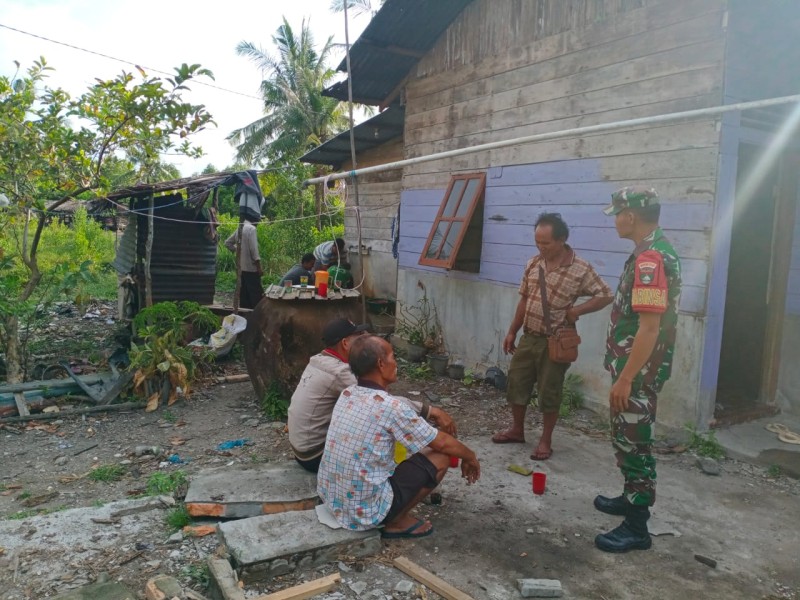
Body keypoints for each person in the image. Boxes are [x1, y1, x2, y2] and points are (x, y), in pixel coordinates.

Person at [317, 335, 480, 538]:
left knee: (418, 446)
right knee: (440, 456)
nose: (396, 363)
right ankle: (396, 521)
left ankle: (391, 510)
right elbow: (443, 443)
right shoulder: (391, 407)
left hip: (332, 499)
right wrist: (470, 456)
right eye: (393, 357)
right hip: (364, 512)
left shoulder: (348, 393)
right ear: (380, 364)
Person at [593, 187, 681, 553]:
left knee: (636, 441)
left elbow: (649, 327)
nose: (615, 219)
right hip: (634, 367)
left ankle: (637, 526)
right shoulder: (647, 252)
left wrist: (628, 377)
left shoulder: (652, 261)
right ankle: (630, 499)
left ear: (631, 215)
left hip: (638, 372)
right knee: (625, 436)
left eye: (618, 213)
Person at [492, 213, 613, 459]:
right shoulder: (533, 264)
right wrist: (512, 331)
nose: (541, 247)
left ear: (562, 240)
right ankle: (517, 430)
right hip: (529, 337)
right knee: (516, 383)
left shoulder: (580, 269)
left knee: (549, 391)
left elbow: (605, 294)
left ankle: (545, 441)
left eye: (545, 243)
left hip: (555, 341)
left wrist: (577, 310)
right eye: (537, 242)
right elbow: (524, 300)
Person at [289, 319, 456, 473]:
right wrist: (430, 411)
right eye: (358, 337)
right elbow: (382, 403)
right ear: (345, 343)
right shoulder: (340, 372)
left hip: (303, 449)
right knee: (381, 425)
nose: (363, 340)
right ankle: (392, 480)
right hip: (315, 455)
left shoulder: (320, 360)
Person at [224, 217, 263, 309]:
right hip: (251, 269)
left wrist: (238, 251)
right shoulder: (251, 229)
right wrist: (259, 267)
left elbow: (227, 243)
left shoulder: (240, 228)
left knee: (244, 296)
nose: (259, 222)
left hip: (241, 269)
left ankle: (244, 317)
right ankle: (256, 317)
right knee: (256, 296)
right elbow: (254, 250)